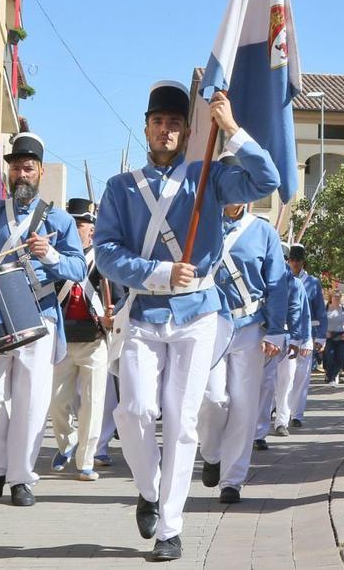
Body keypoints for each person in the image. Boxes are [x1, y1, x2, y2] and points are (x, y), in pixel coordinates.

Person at [92, 82, 279, 562]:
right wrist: (158, 272)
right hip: (144, 312)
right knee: (133, 411)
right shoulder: (120, 188)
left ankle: (170, 527)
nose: (166, 130)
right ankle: (149, 488)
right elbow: (107, 253)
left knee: (181, 421)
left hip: (198, 314)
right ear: (147, 128)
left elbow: (266, 180)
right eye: (158, 122)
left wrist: (232, 129)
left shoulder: (209, 177)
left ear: (188, 131)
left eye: (175, 123)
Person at [0, 132, 87, 507]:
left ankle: (21, 478)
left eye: (28, 168)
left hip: (37, 313)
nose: (21, 174)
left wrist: (51, 254)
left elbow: (78, 267)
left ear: (40, 172)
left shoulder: (59, 219)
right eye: (15, 168)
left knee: (31, 400)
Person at [195, 170, 289, 505]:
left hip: (250, 326)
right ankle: (211, 453)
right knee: (212, 398)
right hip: (208, 324)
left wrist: (277, 329)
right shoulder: (199, 224)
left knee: (245, 405)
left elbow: (278, 283)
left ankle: (232, 480)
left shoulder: (263, 232)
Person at [48, 198, 119, 481]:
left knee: (92, 402)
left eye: (84, 223)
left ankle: (86, 460)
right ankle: (67, 444)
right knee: (57, 402)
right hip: (64, 338)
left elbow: (120, 296)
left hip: (94, 338)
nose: (79, 228)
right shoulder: (57, 258)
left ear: (93, 229)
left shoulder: (105, 258)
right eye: (75, 223)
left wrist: (114, 316)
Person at [253, 261, 307, 450]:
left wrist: (296, 338)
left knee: (274, 383)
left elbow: (298, 310)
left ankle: (264, 430)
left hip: (275, 333)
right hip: (243, 326)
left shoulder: (289, 279)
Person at [275, 243, 325, 431]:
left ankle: (297, 414)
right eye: (291, 260)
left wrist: (319, 338)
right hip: (282, 333)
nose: (294, 263)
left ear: (303, 262)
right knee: (284, 378)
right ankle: (281, 413)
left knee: (301, 378)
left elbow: (318, 311)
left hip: (306, 333)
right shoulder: (278, 279)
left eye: (297, 260)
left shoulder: (312, 282)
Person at [323, 290, 344, 385]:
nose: (336, 299)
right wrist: (325, 332)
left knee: (341, 358)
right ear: (330, 298)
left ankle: (333, 375)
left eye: (338, 297)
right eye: (334, 297)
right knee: (330, 357)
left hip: (341, 336)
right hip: (329, 337)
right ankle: (331, 377)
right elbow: (320, 323)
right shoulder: (326, 308)